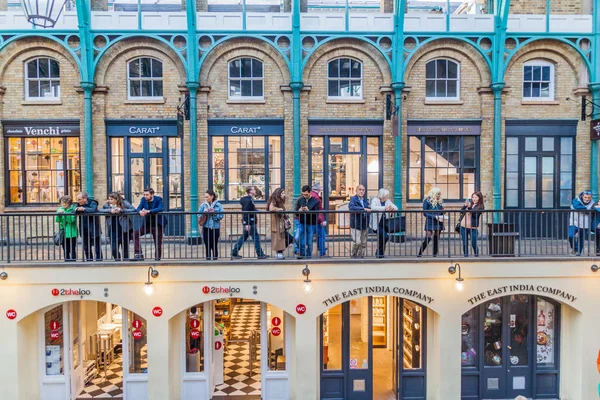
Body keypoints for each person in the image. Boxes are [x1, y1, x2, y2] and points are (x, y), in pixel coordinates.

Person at [231, 186, 268, 259]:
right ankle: (260, 254)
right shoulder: (248, 200)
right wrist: (246, 224)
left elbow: (250, 209)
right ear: (250, 191)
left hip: (250, 222)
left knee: (243, 237)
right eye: (254, 189)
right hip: (250, 222)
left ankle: (234, 252)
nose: (255, 190)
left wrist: (256, 211)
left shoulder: (250, 200)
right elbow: (245, 212)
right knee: (256, 238)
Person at [132, 187, 166, 261]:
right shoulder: (143, 199)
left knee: (157, 242)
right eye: (144, 194)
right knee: (135, 234)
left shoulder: (158, 199)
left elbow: (160, 208)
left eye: (147, 195)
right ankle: (139, 254)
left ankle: (157, 258)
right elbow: (138, 208)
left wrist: (149, 211)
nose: (145, 196)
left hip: (157, 224)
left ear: (152, 194)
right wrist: (139, 212)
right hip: (147, 223)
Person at [100, 192, 135, 261]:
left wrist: (121, 210)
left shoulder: (124, 203)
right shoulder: (107, 205)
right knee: (113, 248)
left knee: (125, 247)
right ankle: (117, 259)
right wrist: (110, 210)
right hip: (113, 229)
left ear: (116, 199)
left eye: (111, 199)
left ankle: (125, 261)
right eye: (109, 199)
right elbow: (100, 210)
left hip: (124, 228)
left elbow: (133, 209)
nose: (109, 201)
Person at [370, 188, 398, 258]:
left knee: (382, 238)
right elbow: (373, 208)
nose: (388, 197)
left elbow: (396, 208)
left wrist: (392, 208)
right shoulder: (375, 200)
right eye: (387, 195)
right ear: (382, 196)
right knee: (386, 237)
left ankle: (380, 254)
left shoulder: (388, 201)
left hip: (384, 224)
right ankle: (379, 252)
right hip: (377, 225)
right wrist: (384, 208)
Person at [75, 192, 102, 261]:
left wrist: (83, 209)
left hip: (94, 227)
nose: (78, 201)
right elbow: (73, 211)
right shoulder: (78, 204)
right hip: (83, 227)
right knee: (86, 246)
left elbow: (93, 210)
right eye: (77, 199)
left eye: (79, 199)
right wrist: (77, 209)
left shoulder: (93, 202)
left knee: (97, 245)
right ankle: (89, 260)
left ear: (85, 198)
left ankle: (99, 260)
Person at [266, 188, 293, 259]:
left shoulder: (280, 202)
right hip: (277, 225)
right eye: (282, 193)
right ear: (278, 194)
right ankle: (279, 253)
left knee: (289, 238)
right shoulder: (273, 201)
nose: (284, 195)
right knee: (279, 240)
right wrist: (279, 209)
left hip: (281, 225)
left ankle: (280, 252)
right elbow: (271, 208)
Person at [418, 187, 444, 257]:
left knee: (436, 238)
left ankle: (435, 254)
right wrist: (434, 216)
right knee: (428, 237)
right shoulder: (427, 201)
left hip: (438, 221)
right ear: (433, 193)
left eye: (439, 194)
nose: (438, 196)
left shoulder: (439, 201)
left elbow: (441, 210)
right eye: (437, 194)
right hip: (430, 221)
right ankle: (420, 253)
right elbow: (425, 213)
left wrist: (442, 214)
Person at [198, 190, 224, 260]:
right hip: (206, 227)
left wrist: (214, 213)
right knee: (207, 244)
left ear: (212, 196)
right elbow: (198, 214)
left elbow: (221, 216)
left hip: (215, 227)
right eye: (205, 197)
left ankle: (215, 259)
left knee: (214, 244)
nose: (206, 198)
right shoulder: (203, 205)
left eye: (207, 197)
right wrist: (204, 212)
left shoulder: (218, 205)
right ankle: (208, 259)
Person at [295, 185, 320, 259]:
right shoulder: (300, 200)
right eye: (303, 194)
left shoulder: (315, 201)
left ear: (310, 193)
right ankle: (302, 251)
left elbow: (317, 213)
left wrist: (308, 211)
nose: (304, 196)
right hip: (302, 222)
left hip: (311, 223)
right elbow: (295, 212)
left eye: (306, 194)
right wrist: (299, 211)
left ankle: (309, 256)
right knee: (296, 237)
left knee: (310, 241)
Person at [568, 190, 594, 256]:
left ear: (591, 197)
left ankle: (578, 253)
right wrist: (586, 210)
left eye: (589, 197)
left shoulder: (593, 203)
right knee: (570, 235)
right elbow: (576, 207)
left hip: (585, 224)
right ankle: (575, 248)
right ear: (582, 196)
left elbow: (593, 211)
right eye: (585, 197)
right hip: (574, 222)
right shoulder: (576, 201)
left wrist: (587, 211)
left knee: (581, 240)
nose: (587, 199)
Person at [349, 184, 371, 258]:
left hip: (364, 224)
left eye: (363, 190)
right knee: (357, 242)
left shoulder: (365, 200)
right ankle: (354, 255)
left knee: (363, 243)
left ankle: (361, 256)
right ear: (356, 191)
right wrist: (363, 209)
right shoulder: (353, 199)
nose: (361, 191)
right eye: (360, 189)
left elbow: (369, 208)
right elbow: (352, 208)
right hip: (356, 224)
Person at [460, 192, 484, 257]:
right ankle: (466, 256)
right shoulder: (470, 204)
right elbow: (461, 212)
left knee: (474, 243)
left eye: (476, 197)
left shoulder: (480, 206)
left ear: (479, 198)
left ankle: (476, 255)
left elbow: (475, 215)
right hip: (463, 226)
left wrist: (469, 207)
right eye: (473, 197)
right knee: (465, 243)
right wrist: (465, 205)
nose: (474, 199)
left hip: (473, 228)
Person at [56, 195, 77, 261]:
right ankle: (67, 261)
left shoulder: (73, 209)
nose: (63, 204)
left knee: (72, 249)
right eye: (62, 203)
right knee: (65, 249)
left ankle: (73, 261)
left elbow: (71, 220)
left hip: (72, 232)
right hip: (64, 233)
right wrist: (59, 215)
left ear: (68, 203)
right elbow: (57, 220)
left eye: (64, 203)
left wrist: (65, 214)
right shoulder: (60, 209)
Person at [310, 184, 329, 258]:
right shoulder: (317, 197)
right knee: (322, 236)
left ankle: (309, 254)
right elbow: (319, 210)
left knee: (310, 237)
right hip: (317, 220)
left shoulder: (310, 195)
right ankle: (322, 252)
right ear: (318, 189)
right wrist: (322, 220)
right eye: (320, 188)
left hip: (311, 220)